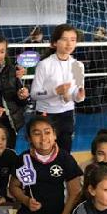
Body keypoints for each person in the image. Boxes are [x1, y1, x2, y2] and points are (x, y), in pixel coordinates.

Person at [5, 116, 83, 214]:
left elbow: (75, 193)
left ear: (54, 135)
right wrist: (26, 200)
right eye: (36, 133)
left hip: (59, 213)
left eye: (47, 132)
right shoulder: (24, 159)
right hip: (31, 212)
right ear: (29, 138)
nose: (43, 138)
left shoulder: (65, 159)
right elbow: (13, 187)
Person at [29, 24, 86, 154]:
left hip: (67, 114)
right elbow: (34, 94)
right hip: (46, 114)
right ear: (55, 42)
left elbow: (77, 96)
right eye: (65, 39)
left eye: (73, 39)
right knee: (43, 151)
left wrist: (79, 95)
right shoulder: (44, 65)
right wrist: (55, 91)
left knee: (65, 152)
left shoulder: (78, 66)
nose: (69, 43)